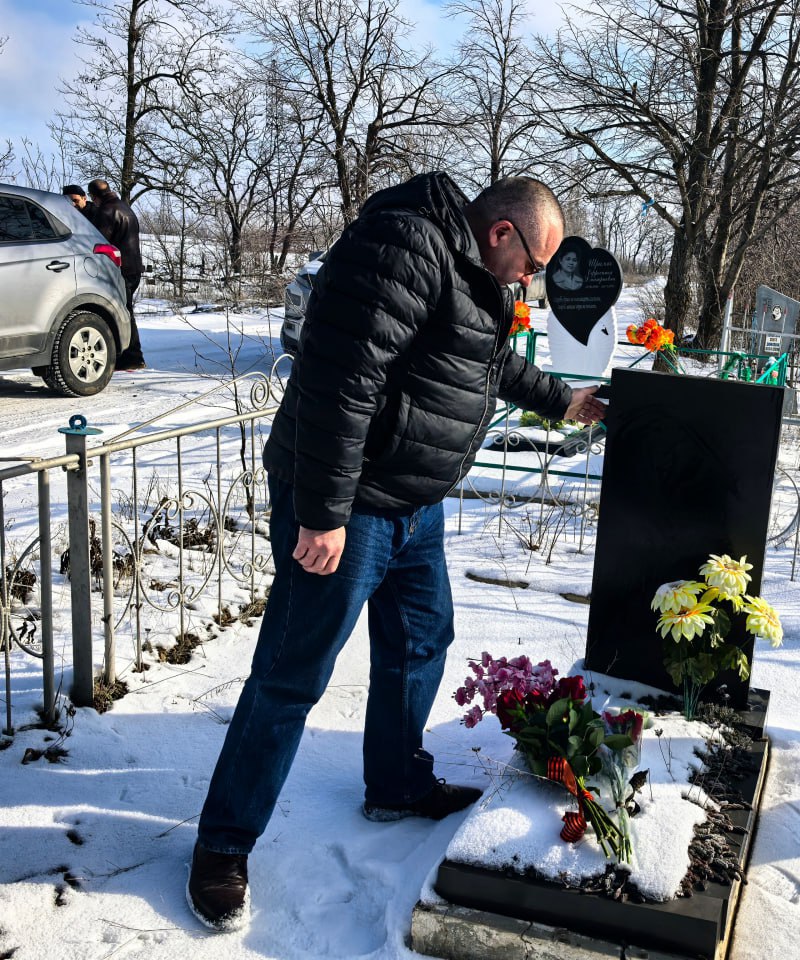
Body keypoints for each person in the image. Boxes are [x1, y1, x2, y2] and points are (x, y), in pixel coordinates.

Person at [186, 173, 605, 932]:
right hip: (349, 506)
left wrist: (564, 401)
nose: (531, 282)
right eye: (534, 265)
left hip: (413, 504)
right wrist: (323, 515)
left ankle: (395, 785)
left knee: (420, 640)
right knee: (292, 673)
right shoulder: (404, 245)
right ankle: (223, 844)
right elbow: (341, 381)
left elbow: (483, 364)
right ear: (502, 232)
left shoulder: (473, 273)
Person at [87, 178, 146, 370]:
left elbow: (98, 242)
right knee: (126, 311)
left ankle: (132, 357)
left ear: (94, 196)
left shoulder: (106, 211)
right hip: (134, 267)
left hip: (120, 270)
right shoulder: (124, 208)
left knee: (124, 313)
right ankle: (130, 356)